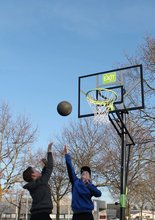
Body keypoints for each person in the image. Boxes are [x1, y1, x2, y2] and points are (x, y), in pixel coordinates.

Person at [64, 145, 102, 220]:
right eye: (83, 173)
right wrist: (67, 155)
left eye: (87, 173)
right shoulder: (75, 182)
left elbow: (98, 194)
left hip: (87, 214)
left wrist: (89, 185)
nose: (84, 174)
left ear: (89, 177)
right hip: (77, 215)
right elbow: (70, 169)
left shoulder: (91, 186)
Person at [23, 143, 53, 220]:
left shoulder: (36, 184)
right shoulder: (41, 182)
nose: (38, 170)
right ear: (33, 175)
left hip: (35, 215)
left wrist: (45, 166)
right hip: (42, 215)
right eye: (35, 170)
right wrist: (49, 151)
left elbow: (44, 175)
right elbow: (50, 168)